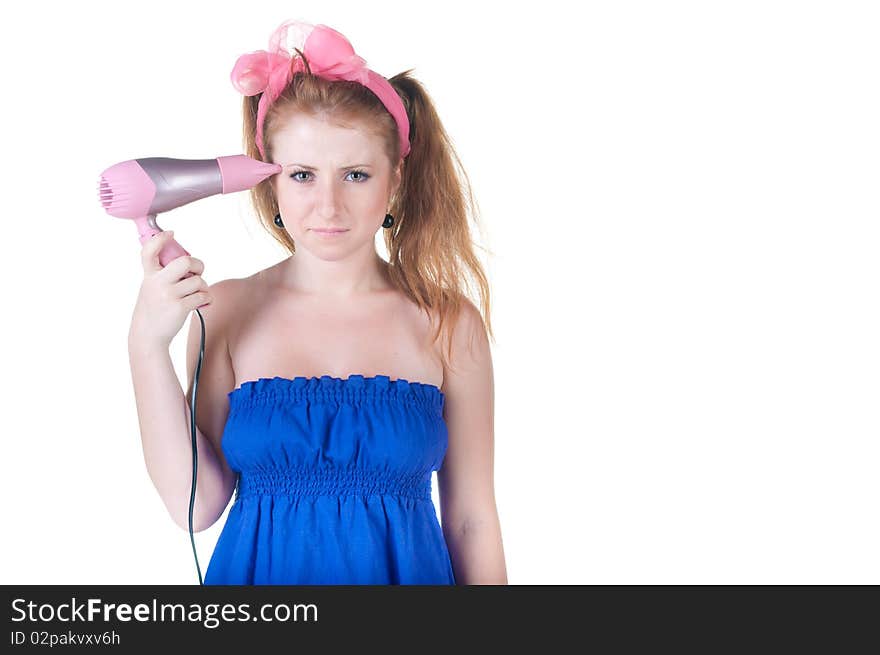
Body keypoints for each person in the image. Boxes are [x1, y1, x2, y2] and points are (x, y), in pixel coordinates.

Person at [127, 19, 506, 584]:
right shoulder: (224, 313)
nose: (327, 207)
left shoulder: (447, 323)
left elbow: (472, 519)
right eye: (302, 174)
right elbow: (197, 504)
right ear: (268, 180)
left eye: (355, 174)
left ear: (395, 178)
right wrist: (147, 346)